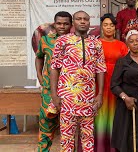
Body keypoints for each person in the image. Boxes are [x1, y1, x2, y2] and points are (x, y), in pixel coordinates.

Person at [50, 11, 107, 152]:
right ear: (73, 22)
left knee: (88, 138)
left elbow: (100, 69)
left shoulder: (96, 43)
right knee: (67, 138)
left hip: (88, 99)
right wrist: (54, 95)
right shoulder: (62, 41)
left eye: (86, 19)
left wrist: (99, 95)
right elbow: (54, 68)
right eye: (79, 19)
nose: (83, 21)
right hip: (66, 99)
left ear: (89, 23)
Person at [35, 11, 72, 152]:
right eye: (59, 23)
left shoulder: (75, 41)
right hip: (49, 92)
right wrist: (40, 76)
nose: (62, 26)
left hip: (70, 92)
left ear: (71, 25)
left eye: (66, 23)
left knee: (69, 130)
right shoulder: (45, 40)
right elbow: (39, 57)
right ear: (54, 24)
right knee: (46, 124)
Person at [94, 13, 128, 152]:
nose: (108, 28)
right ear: (101, 27)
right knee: (100, 114)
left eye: (111, 25)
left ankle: (114, 148)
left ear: (115, 28)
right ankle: (100, 147)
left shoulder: (121, 45)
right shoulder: (95, 43)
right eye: (105, 25)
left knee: (114, 114)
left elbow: (127, 65)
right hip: (98, 83)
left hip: (116, 84)